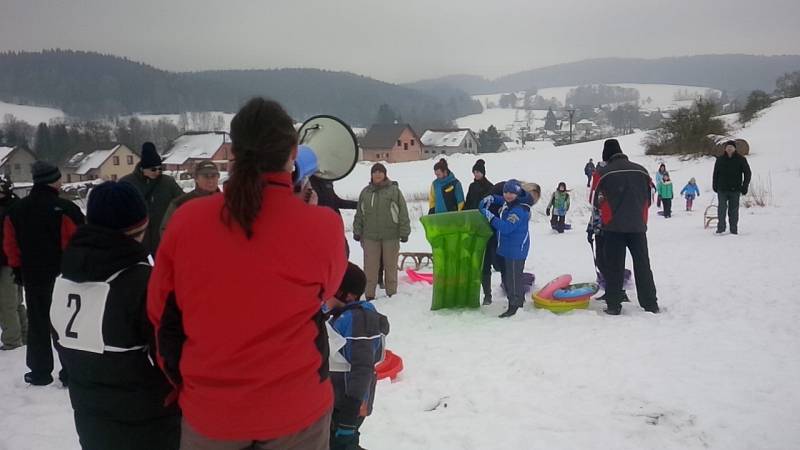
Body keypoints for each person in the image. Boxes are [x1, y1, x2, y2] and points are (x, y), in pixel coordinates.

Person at [148, 98, 347, 450]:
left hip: (211, 413)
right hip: (297, 409)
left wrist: (189, 383)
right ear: (292, 153)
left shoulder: (186, 221)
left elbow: (161, 317)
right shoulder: (323, 226)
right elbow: (327, 290)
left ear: (233, 154)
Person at [52, 182, 179, 450]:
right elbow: (172, 357)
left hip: (90, 417)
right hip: (149, 422)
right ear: (139, 229)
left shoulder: (64, 278)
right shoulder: (143, 282)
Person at [3, 162, 85, 385]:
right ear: (53, 180)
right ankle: (70, 372)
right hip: (63, 277)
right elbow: (74, 243)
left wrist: (18, 269)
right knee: (65, 326)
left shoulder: (16, 210)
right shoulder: (65, 209)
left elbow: (10, 244)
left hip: (31, 275)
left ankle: (39, 372)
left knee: (38, 325)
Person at [325, 263, 389, 450]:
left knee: (342, 445)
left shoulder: (357, 319)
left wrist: (349, 415)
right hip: (336, 402)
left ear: (348, 295)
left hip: (347, 406)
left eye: (329, 290)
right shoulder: (342, 316)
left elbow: (362, 368)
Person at [595, 139, 659, 315]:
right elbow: (650, 197)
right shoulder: (641, 170)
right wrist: (639, 214)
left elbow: (596, 201)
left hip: (613, 228)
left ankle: (614, 305)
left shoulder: (605, 173)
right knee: (643, 265)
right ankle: (650, 303)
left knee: (614, 266)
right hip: (638, 227)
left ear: (606, 155)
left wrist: (608, 218)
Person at [353, 163, 410, 300]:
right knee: (370, 268)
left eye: (380, 172)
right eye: (375, 172)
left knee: (390, 266)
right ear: (371, 175)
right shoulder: (365, 192)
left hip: (391, 236)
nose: (377, 174)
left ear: (385, 174)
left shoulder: (394, 191)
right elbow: (359, 213)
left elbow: (403, 212)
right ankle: (369, 295)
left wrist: (404, 232)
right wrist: (357, 230)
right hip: (370, 236)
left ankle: (391, 294)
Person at [479, 180, 534, 318]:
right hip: (508, 247)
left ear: (517, 193)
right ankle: (518, 300)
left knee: (513, 278)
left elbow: (506, 227)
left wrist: (490, 217)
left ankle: (514, 306)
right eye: (505, 192)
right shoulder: (511, 202)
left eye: (511, 193)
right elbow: (503, 200)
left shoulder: (519, 210)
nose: (508, 195)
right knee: (510, 276)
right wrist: (492, 198)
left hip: (516, 249)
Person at [120, 142, 183, 256]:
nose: (157, 172)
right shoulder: (127, 183)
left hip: (162, 236)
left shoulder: (167, 182)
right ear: (143, 168)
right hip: (136, 238)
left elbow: (183, 202)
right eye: (153, 169)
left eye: (160, 168)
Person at [0, 176, 27, 351]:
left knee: (6, 303)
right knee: (16, 301)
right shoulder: (16, 206)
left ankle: (12, 340)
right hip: (15, 260)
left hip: (5, 261)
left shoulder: (5, 210)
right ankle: (24, 335)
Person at [464, 159, 496, 304]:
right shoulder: (472, 186)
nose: (476, 174)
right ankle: (473, 291)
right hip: (473, 228)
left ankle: (488, 294)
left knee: (486, 262)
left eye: (478, 172)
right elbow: (467, 203)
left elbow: (493, 207)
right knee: (474, 261)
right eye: (474, 172)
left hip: (486, 228)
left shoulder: (491, 188)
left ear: (483, 173)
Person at [160, 160, 221, 235]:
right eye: (206, 176)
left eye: (214, 176)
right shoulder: (181, 203)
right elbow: (166, 231)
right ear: (196, 179)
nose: (210, 180)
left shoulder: (227, 202)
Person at [712, 140, 751, 235]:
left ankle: (733, 229)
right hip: (722, 189)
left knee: (733, 210)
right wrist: (714, 185)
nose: (729, 149)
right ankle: (721, 228)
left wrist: (744, 186)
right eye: (728, 147)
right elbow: (715, 174)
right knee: (721, 209)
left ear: (734, 148)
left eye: (731, 147)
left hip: (735, 189)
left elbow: (747, 173)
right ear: (725, 149)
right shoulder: (720, 159)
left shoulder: (741, 159)